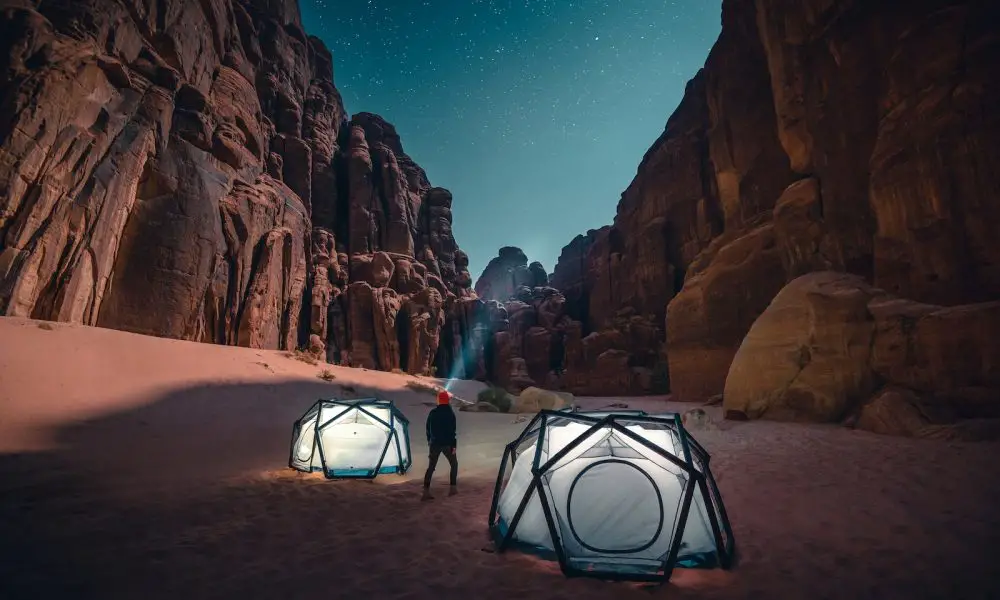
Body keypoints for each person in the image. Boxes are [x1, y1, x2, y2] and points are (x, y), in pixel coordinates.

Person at [422, 389, 458, 500]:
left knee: (431, 467)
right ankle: (452, 489)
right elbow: (452, 431)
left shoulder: (433, 413)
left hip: (434, 444)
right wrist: (454, 446)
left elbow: (428, 428)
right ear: (447, 400)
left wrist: (429, 440)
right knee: (454, 464)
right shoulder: (450, 413)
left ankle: (425, 492)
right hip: (447, 444)